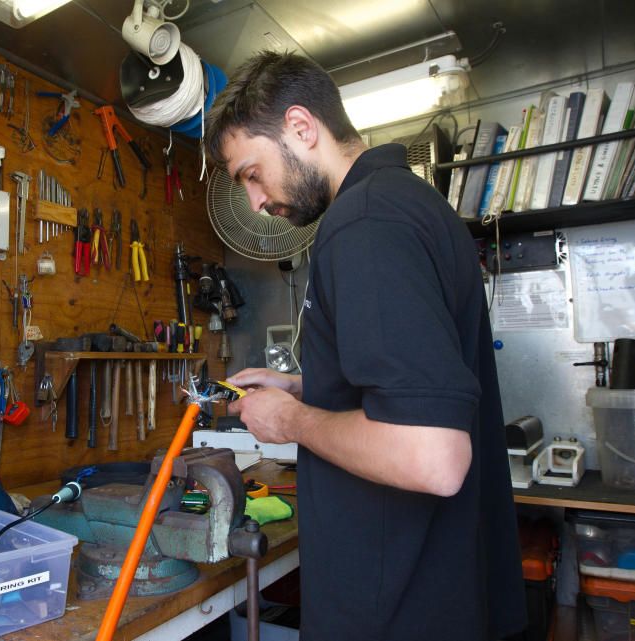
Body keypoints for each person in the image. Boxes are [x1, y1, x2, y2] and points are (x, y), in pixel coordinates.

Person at [204, 51, 527, 641]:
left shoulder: (364, 224)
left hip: (395, 610)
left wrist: (292, 419)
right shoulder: (410, 202)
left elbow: (431, 456)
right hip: (432, 595)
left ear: (301, 128)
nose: (255, 201)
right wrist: (305, 387)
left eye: (251, 173)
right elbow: (414, 388)